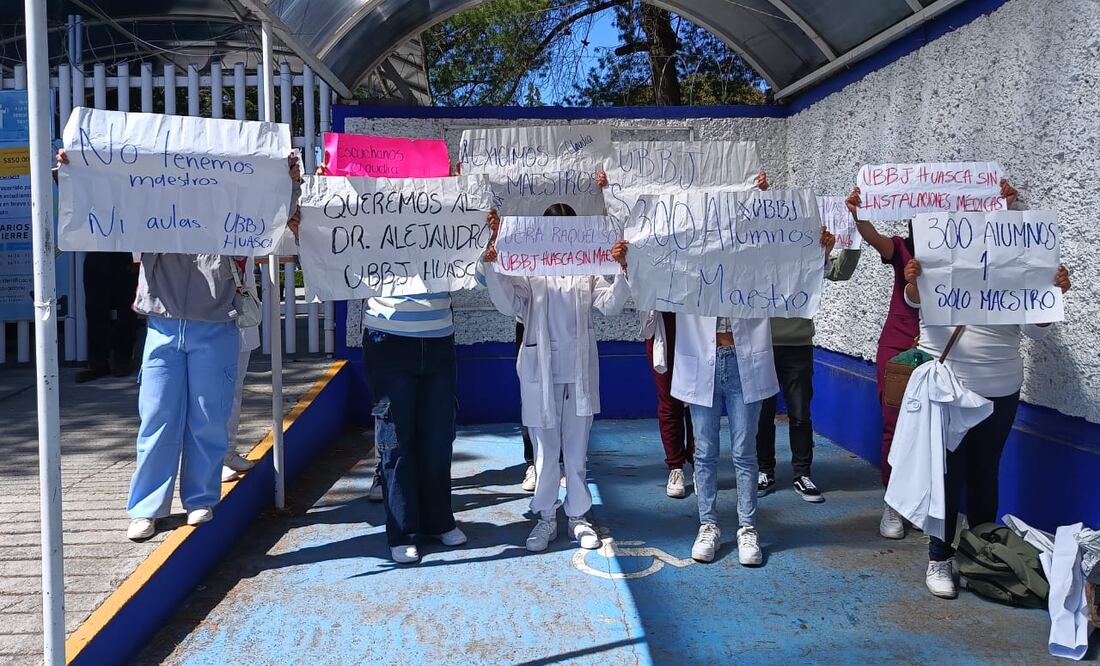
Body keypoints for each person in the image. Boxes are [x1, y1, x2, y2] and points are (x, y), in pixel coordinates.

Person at [57, 149, 303, 541]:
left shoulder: (232, 207)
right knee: (157, 418)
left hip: (217, 324)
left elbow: (272, 218)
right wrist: (73, 169)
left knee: (208, 419)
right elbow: (100, 205)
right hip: (163, 325)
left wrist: (289, 179)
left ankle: (200, 499)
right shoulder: (152, 203)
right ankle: (146, 509)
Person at [846, 179, 1018, 539]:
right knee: (898, 426)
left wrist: (1006, 207)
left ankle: (937, 515)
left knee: (950, 451)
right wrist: (860, 214)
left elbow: (1003, 248)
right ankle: (894, 504)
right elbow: (873, 236)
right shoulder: (903, 250)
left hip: (942, 351)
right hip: (902, 346)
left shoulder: (967, 254)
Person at [902, 245, 1070, 598]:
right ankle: (940, 557)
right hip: (947, 386)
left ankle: (981, 554)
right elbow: (916, 303)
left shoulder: (1018, 255)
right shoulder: (940, 244)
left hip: (1000, 388)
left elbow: (1036, 329)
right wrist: (913, 284)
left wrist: (1051, 294)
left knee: (984, 472)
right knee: (946, 474)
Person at [615, 245, 778, 566]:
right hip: (704, 361)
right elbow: (655, 280)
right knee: (704, 453)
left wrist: (818, 252)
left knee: (745, 452)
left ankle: (747, 528)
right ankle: (709, 525)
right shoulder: (688, 257)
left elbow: (791, 270)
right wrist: (627, 264)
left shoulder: (757, 248)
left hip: (745, 361)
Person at [483, 202, 630, 553]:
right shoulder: (529, 270)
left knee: (577, 452)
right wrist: (493, 266)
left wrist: (624, 271)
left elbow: (610, 304)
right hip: (541, 373)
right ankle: (546, 517)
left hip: (577, 373)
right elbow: (507, 303)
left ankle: (579, 516)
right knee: (546, 453)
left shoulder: (589, 269)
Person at [645, 170, 769, 500]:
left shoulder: (744, 250)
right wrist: (613, 197)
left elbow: (778, 254)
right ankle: (686, 482)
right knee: (683, 416)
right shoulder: (681, 247)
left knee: (740, 449)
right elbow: (644, 253)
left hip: (733, 350)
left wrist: (760, 201)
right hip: (689, 340)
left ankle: (745, 525)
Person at [755, 229, 859, 504]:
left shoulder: (806, 249)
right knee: (762, 414)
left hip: (799, 344)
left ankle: (802, 473)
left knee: (800, 413)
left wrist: (850, 238)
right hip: (762, 343)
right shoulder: (755, 250)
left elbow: (841, 272)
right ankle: (764, 469)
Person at [221, 256, 260, 483]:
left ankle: (228, 450)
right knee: (212, 390)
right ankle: (213, 459)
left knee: (234, 386)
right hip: (210, 311)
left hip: (240, 305)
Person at [78, 252, 140, 382]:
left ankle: (123, 359)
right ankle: (98, 362)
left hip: (126, 252)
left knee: (127, 309)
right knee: (95, 309)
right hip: (96, 250)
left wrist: (137, 258)